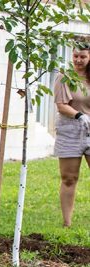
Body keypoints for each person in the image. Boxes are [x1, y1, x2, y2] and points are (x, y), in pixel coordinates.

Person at [53, 45, 90, 227]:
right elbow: (61, 105)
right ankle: (67, 223)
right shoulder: (64, 77)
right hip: (70, 129)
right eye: (75, 56)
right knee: (69, 178)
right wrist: (80, 115)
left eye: (82, 57)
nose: (78, 60)